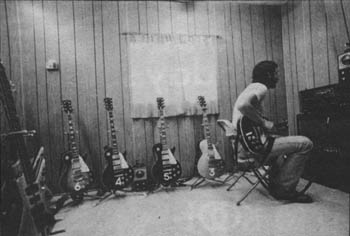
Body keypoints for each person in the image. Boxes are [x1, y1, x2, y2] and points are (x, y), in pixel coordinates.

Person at [231, 60, 314, 203]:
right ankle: (285, 190)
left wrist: (266, 125)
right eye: (276, 73)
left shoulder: (250, 88)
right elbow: (243, 105)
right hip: (253, 150)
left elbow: (247, 115)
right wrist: (264, 122)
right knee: (306, 144)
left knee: (280, 140)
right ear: (269, 74)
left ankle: (276, 185)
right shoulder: (261, 87)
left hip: (242, 150)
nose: (278, 77)